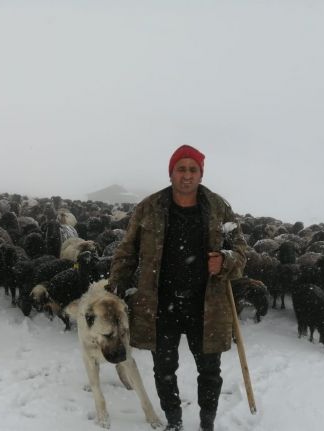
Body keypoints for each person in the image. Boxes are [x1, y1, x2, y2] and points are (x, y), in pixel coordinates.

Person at [108, 145, 247, 431]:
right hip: (160, 304)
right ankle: (174, 421)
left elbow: (242, 252)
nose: (186, 175)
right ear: (171, 172)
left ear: (200, 173)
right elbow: (127, 251)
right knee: (164, 369)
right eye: (181, 169)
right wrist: (116, 287)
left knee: (209, 370)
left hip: (206, 305)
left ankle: (207, 422)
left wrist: (226, 261)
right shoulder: (149, 207)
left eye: (192, 169)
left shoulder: (219, 208)